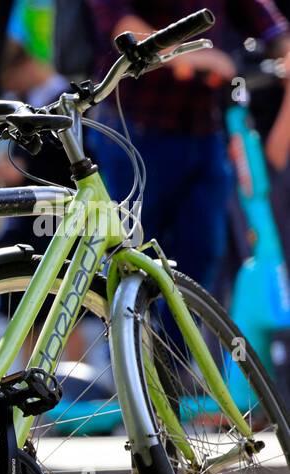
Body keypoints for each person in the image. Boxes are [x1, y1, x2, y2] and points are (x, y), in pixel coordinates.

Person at [87, 0, 290, 295]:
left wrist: (285, 47)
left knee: (201, 267)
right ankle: (128, 339)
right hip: (134, 134)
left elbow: (265, 20)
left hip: (204, 132)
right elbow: (123, 29)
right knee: (129, 263)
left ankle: (177, 341)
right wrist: (196, 56)